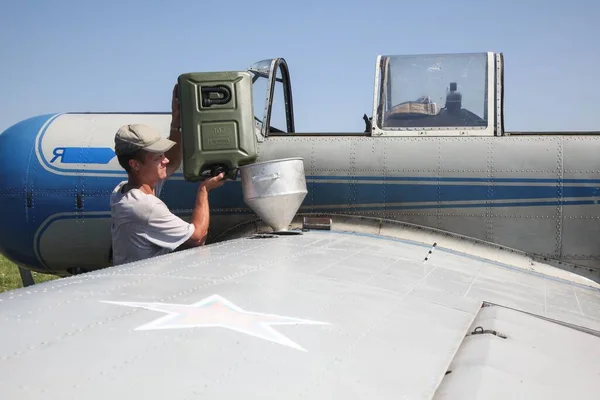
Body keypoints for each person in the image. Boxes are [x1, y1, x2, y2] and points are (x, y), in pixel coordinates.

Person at [109, 84, 226, 266]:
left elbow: (171, 162)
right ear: (135, 164)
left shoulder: (124, 189)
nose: (165, 161)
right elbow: (197, 237)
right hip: (143, 289)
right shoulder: (144, 206)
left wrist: (176, 125)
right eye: (158, 158)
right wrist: (204, 190)